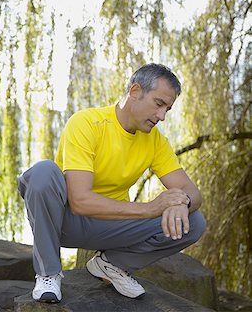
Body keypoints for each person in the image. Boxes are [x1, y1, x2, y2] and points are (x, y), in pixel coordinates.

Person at [17, 63, 206, 303]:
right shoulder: (87, 123)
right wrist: (151, 208)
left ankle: (112, 264)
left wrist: (182, 201)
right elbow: (80, 201)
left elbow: (194, 193)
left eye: (167, 109)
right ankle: (48, 274)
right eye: (159, 104)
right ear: (135, 91)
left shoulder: (156, 141)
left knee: (194, 220)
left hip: (113, 227)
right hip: (65, 222)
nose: (162, 117)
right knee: (43, 172)